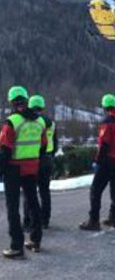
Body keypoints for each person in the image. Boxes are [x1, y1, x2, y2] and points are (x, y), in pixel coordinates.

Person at [0, 86, 47, 258]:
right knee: (33, 202)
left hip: (14, 167)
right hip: (32, 167)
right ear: (26, 100)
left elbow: (4, 150)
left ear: (12, 102)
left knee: (13, 206)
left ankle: (16, 246)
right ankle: (36, 240)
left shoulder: (12, 122)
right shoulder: (40, 122)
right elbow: (43, 147)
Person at [79, 94, 115, 231]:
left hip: (107, 160)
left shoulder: (107, 122)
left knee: (95, 190)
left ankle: (93, 221)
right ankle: (113, 217)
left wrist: (97, 160)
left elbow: (104, 143)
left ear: (104, 106)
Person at [23, 95, 58, 230]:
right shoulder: (51, 123)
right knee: (45, 191)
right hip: (48, 160)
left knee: (29, 192)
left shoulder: (32, 122)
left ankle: (28, 221)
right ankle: (45, 220)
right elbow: (55, 144)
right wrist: (51, 156)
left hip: (34, 159)